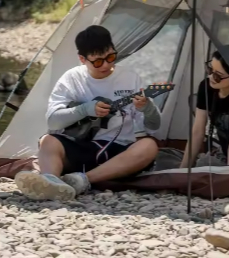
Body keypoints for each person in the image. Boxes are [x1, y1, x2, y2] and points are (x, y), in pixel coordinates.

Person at [15, 25, 161, 201]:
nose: (106, 65)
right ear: (82, 59)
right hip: (80, 147)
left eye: (111, 57)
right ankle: (50, 181)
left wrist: (147, 108)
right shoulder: (72, 78)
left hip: (118, 153)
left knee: (149, 146)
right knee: (47, 140)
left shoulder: (130, 78)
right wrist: (84, 110)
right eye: (98, 61)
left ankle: (82, 181)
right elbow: (53, 121)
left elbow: (153, 127)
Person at [180, 45, 229, 168]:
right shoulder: (206, 87)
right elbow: (197, 131)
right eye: (210, 69)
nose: (210, 77)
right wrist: (183, 170)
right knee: (200, 167)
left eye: (217, 75)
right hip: (224, 152)